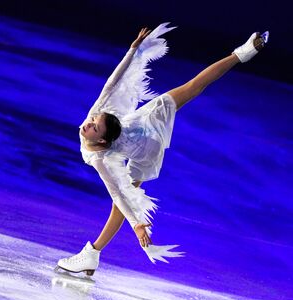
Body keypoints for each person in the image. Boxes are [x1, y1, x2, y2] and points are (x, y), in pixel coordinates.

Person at [55, 23, 269, 275]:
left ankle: (92, 255)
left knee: (193, 86)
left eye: (93, 126)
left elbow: (118, 194)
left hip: (146, 148)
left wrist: (137, 224)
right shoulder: (99, 126)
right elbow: (114, 82)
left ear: (102, 142)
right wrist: (133, 51)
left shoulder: (100, 157)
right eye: (92, 123)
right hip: (144, 121)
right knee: (191, 87)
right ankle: (241, 53)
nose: (88, 123)